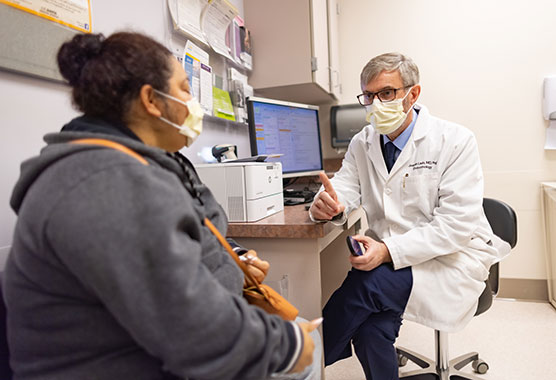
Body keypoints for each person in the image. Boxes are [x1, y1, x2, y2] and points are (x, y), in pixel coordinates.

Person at [4, 31, 322, 380]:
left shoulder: (145, 163)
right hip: (138, 360)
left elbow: (187, 233)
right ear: (151, 100)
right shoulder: (106, 184)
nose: (193, 102)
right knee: (304, 354)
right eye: (185, 88)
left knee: (300, 330)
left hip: (159, 343)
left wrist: (234, 254)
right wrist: (286, 347)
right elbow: (193, 331)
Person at [309, 52, 510, 380]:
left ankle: (299, 365)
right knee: (371, 329)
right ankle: (304, 363)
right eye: (369, 96)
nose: (376, 104)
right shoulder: (363, 143)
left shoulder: (454, 140)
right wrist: (326, 205)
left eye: (386, 93)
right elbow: (342, 187)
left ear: (412, 94)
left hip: (452, 258)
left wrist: (387, 251)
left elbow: (455, 226)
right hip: (395, 260)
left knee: (366, 284)